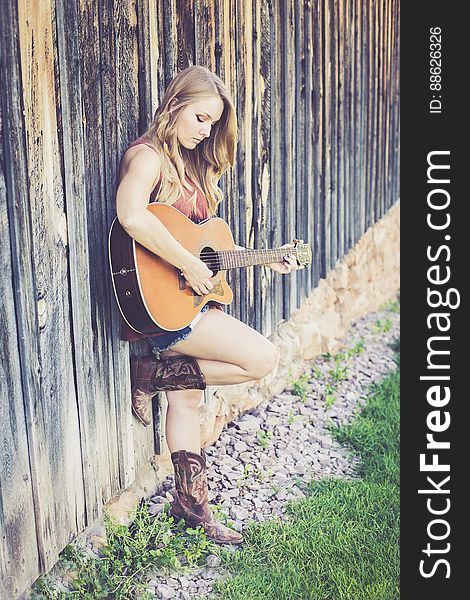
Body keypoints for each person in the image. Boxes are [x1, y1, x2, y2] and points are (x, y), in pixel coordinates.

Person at [115, 65, 297, 545]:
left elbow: (204, 249)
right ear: (174, 106)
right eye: (200, 118)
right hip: (160, 310)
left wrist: (261, 259)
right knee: (264, 357)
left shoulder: (192, 169)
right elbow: (131, 214)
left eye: (213, 124)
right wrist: (190, 266)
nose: (204, 130)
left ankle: (191, 509)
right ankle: (149, 376)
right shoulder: (149, 157)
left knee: (188, 400)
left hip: (183, 307)